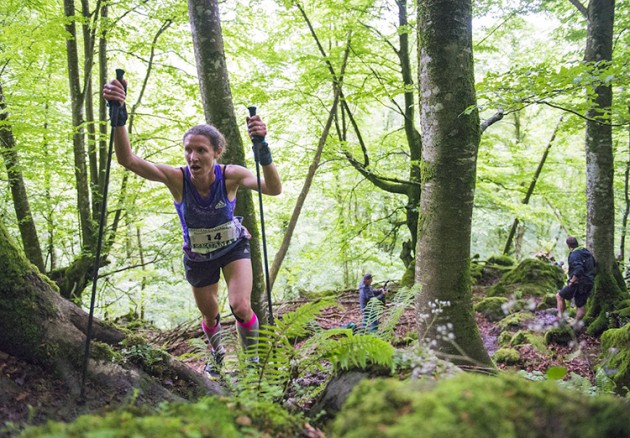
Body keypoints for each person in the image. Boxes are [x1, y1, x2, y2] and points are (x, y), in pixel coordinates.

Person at [103, 78, 282, 379]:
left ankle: (252, 362)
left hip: (233, 247)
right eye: (188, 150)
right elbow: (127, 160)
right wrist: (119, 116)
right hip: (198, 255)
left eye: (201, 150)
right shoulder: (176, 178)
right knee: (210, 314)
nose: (193, 157)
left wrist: (263, 149)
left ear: (216, 152)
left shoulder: (231, 176)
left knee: (240, 305)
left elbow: (273, 189)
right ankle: (217, 354)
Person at [556, 236, 595, 325]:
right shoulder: (586, 252)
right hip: (588, 282)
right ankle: (576, 325)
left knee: (559, 296)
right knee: (580, 305)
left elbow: (579, 270)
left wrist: (572, 281)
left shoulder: (575, 254)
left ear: (569, 246)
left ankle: (561, 320)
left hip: (578, 282)